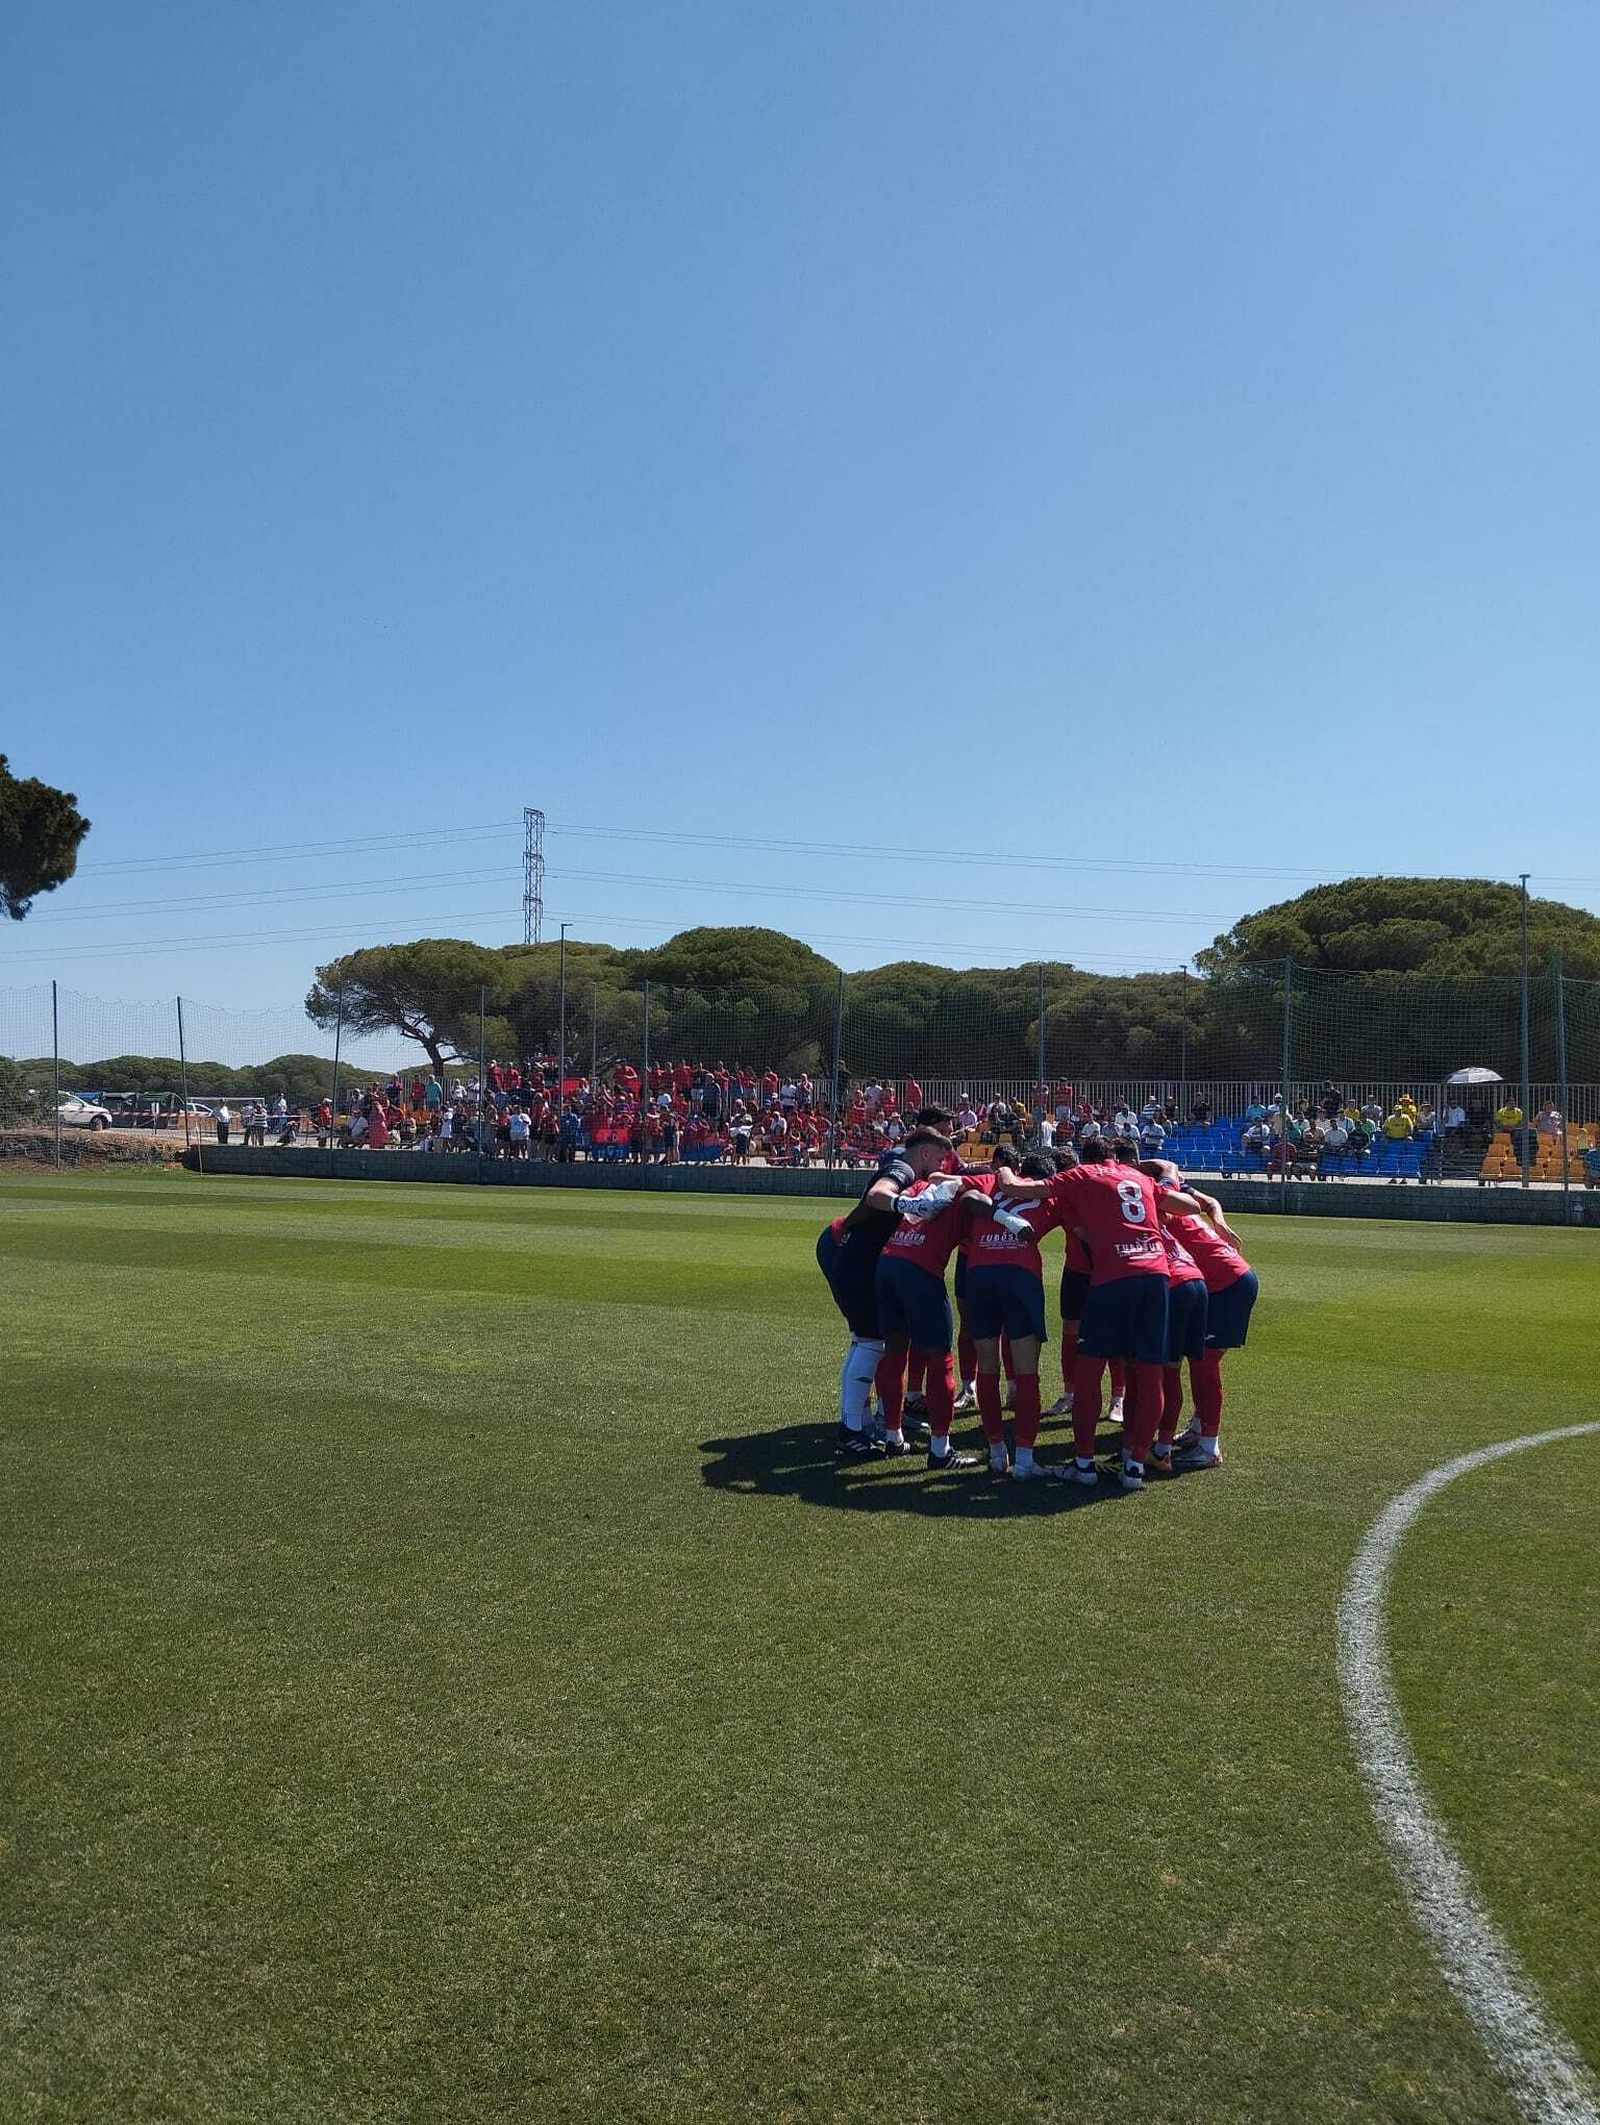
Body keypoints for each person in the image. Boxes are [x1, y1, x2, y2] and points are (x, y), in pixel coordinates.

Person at [995, 1140, 1168, 1491]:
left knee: (1089, 1367)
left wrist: (1001, 1166)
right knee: (1150, 1371)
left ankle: (1084, 1464)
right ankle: (1134, 1467)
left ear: (1085, 1159)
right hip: (1156, 1274)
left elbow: (1014, 1187)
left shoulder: (1081, 1175)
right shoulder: (1136, 1176)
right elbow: (1186, 1203)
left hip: (1113, 1274)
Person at [819, 1128, 960, 1458]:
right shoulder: (904, 1170)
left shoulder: (900, 1160)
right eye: (939, 1158)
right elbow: (878, 1195)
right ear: (924, 1153)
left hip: (856, 1259)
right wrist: (907, 1203)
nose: (941, 1164)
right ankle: (851, 1431)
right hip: (860, 1264)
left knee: (864, 1340)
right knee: (871, 1342)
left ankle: (857, 1424)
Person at [1141, 1162, 1257, 1468]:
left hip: (1229, 1284)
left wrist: (1218, 1222)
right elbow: (1208, 1202)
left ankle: (1209, 1447)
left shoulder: (1159, 1199)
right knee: (1198, 1361)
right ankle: (1198, 1429)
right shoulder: (1173, 1195)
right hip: (1216, 1282)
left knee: (1204, 1365)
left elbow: (1209, 1203)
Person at [960, 1152, 1062, 1479]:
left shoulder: (993, 1183)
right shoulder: (1049, 1192)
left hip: (979, 1273)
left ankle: (995, 1452)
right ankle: (1025, 1460)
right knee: (1026, 1370)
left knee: (987, 1364)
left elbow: (961, 1192)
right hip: (1020, 1275)